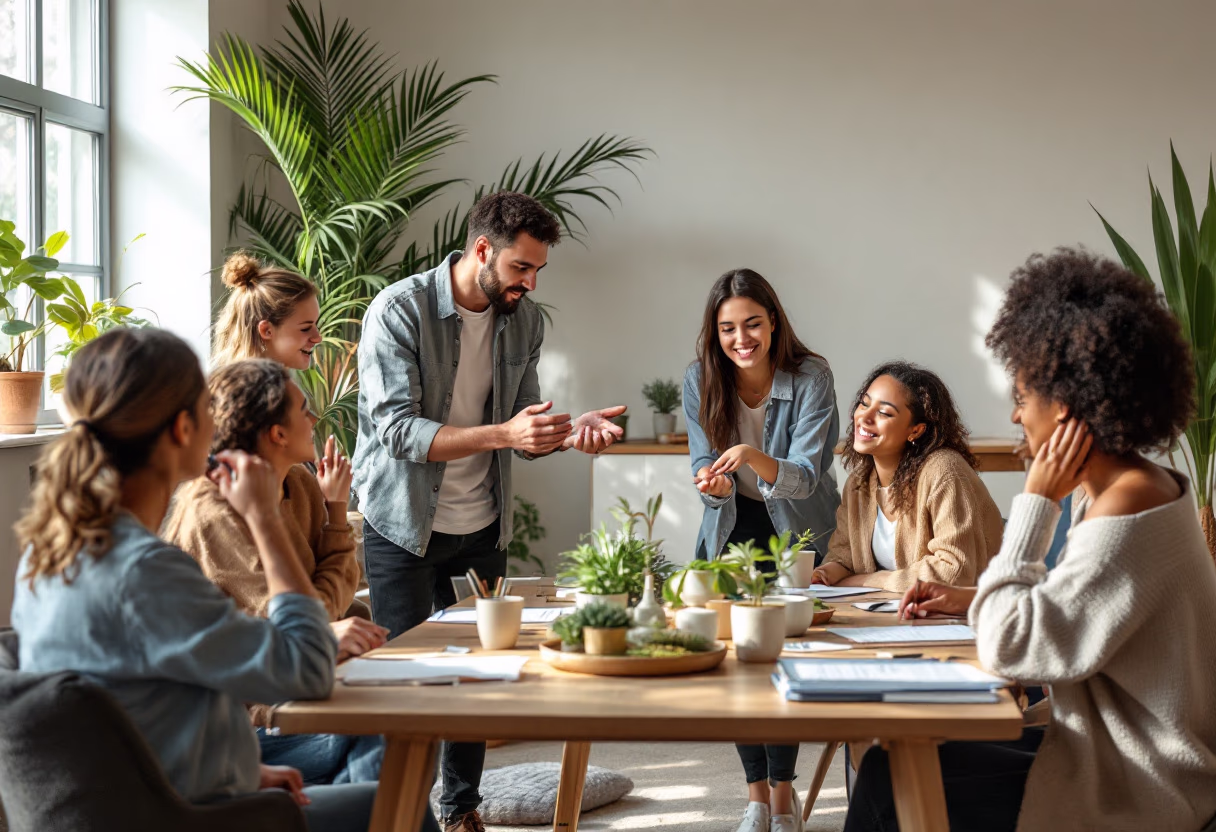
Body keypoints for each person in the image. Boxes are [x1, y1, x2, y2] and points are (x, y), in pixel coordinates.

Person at [845, 248, 1216, 832]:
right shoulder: (1134, 485)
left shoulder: (1127, 504)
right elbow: (1081, 606)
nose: (1016, 418)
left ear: (1065, 407)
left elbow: (1011, 649)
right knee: (890, 768)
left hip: (1134, 781)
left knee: (887, 781)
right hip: (1107, 752)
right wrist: (971, 598)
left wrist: (1036, 504)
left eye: (1021, 398)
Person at [11, 328, 436, 832]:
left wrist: (241, 771)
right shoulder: (146, 572)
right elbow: (306, 668)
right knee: (395, 806)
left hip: (151, 798)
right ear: (182, 428)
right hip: (186, 819)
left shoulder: (48, 556)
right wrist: (262, 518)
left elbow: (124, 718)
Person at [352, 190, 625, 832]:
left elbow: (521, 426)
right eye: (519, 269)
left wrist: (562, 429)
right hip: (402, 525)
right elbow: (396, 431)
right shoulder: (399, 311)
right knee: (410, 686)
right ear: (482, 251)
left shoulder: (525, 321)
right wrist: (505, 434)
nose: (529, 284)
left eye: (536, 272)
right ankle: (399, 816)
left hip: (482, 524)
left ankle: (461, 810)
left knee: (479, 672)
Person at [164, 358, 389, 785]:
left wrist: (335, 510)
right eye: (304, 409)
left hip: (307, 679)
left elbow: (331, 603)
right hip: (248, 715)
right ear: (278, 435)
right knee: (384, 737)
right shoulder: (213, 513)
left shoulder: (301, 485)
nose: (315, 417)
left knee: (410, 724)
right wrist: (336, 518)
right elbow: (312, 619)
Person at [683, 268, 842, 832]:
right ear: (715, 332)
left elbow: (805, 475)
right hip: (728, 531)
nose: (741, 338)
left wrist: (750, 456)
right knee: (739, 664)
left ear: (774, 323)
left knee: (786, 659)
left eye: (752, 323)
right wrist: (713, 480)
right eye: (728, 328)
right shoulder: (699, 378)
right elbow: (703, 459)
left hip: (797, 531)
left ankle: (783, 797)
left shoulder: (812, 377)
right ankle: (756, 798)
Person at [810, 362, 1003, 592]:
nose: (865, 417)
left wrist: (869, 581)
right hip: (895, 616)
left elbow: (954, 572)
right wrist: (822, 575)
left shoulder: (945, 471)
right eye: (864, 403)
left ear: (916, 430)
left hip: (966, 619)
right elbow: (844, 556)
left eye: (884, 412)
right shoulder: (859, 483)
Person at [212, 251, 322, 369]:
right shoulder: (258, 386)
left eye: (316, 325)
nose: (318, 338)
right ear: (266, 330)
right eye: (305, 328)